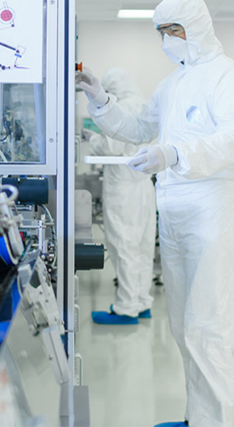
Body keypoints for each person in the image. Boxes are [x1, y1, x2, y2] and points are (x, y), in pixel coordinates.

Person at [75, 0, 234, 427]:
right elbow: (140, 126)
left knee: (208, 325)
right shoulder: (173, 83)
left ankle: (211, 423)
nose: (166, 40)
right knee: (182, 324)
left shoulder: (229, 75)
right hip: (174, 208)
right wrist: (100, 100)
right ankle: (197, 417)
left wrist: (174, 153)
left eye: (172, 30)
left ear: (196, 28)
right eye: (160, 32)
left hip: (212, 207)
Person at [85, 68, 156, 325]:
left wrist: (94, 139)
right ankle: (141, 302)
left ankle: (126, 308)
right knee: (142, 246)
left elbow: (112, 147)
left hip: (123, 187)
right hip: (144, 186)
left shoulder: (121, 107)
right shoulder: (144, 105)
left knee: (123, 245)